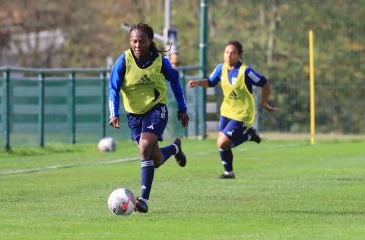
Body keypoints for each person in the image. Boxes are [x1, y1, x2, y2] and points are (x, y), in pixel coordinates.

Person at [109, 22, 189, 213]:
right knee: (155, 160)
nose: (137, 45)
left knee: (144, 148)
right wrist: (113, 113)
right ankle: (175, 148)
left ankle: (143, 200)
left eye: (142, 41)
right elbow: (113, 88)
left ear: (150, 41)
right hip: (134, 115)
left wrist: (182, 108)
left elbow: (175, 82)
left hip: (156, 109)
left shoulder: (160, 62)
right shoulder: (123, 61)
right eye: (134, 41)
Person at [188, 41, 276, 179]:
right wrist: (198, 82)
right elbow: (210, 82)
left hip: (242, 113)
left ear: (239, 55)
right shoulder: (220, 69)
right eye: (226, 52)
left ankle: (247, 136)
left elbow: (265, 83)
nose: (229, 55)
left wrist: (264, 103)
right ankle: (229, 172)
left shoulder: (245, 71)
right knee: (222, 143)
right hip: (227, 111)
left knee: (222, 142)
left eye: (233, 53)